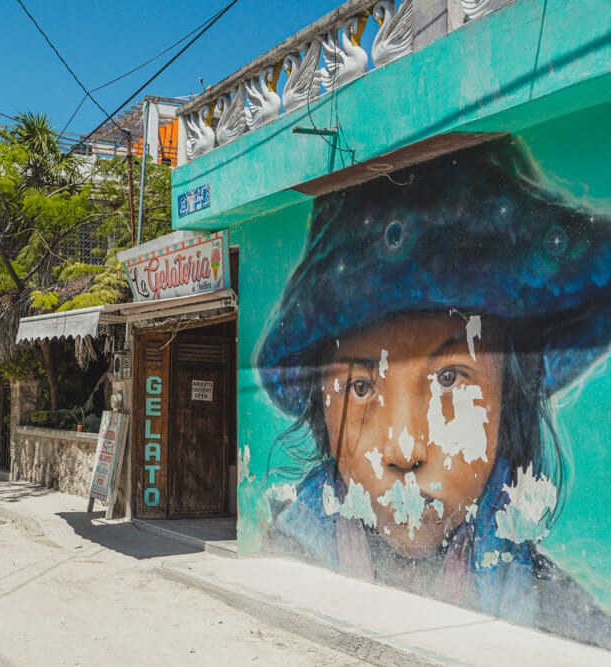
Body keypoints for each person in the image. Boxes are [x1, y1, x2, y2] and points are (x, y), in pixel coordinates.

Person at [256, 137, 611, 647]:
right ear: (322, 411)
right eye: (360, 386)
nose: (404, 450)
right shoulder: (285, 561)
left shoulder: (566, 623)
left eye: (450, 380)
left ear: (508, 396)